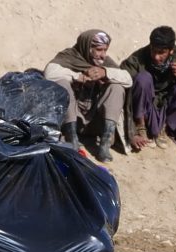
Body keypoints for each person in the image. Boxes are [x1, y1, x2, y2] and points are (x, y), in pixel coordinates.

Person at [43, 28, 129, 160]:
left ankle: (105, 144)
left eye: (105, 50)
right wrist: (79, 77)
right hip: (73, 117)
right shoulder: (69, 57)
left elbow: (128, 79)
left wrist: (106, 73)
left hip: (95, 120)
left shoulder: (105, 63)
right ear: (87, 46)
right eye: (99, 50)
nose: (103, 55)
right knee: (62, 84)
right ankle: (72, 140)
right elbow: (50, 73)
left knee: (117, 88)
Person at [122, 25, 176, 149]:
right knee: (143, 78)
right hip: (144, 108)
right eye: (153, 51)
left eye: (161, 53)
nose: (156, 56)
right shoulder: (138, 58)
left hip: (165, 107)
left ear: (171, 51)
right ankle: (140, 127)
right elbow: (123, 82)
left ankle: (165, 129)